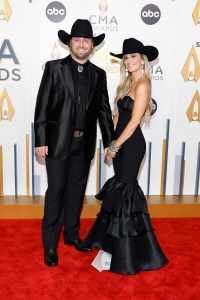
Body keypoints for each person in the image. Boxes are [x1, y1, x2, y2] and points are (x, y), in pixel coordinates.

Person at [34, 19, 114, 267]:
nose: (81, 44)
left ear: (92, 45)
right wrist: (40, 140)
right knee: (56, 193)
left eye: (86, 40)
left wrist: (110, 143)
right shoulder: (54, 68)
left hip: (84, 145)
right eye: (77, 40)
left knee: (76, 193)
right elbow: (42, 107)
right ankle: (50, 245)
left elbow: (103, 112)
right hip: (57, 144)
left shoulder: (99, 75)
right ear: (70, 43)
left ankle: (71, 236)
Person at [85, 38, 169, 274]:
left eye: (133, 56)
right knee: (121, 194)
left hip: (132, 146)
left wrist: (116, 147)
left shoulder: (143, 84)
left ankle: (131, 252)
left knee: (126, 192)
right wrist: (110, 142)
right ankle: (116, 246)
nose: (129, 61)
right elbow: (117, 118)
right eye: (126, 58)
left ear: (143, 60)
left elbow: (133, 122)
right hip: (120, 144)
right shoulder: (125, 85)